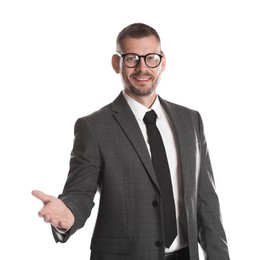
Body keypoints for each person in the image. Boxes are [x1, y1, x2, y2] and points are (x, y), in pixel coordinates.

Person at [32, 22, 230, 260]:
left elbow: (206, 200)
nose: (142, 68)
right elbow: (80, 192)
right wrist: (68, 214)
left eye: (151, 58)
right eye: (132, 58)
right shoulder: (93, 127)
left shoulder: (190, 120)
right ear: (117, 63)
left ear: (163, 62)